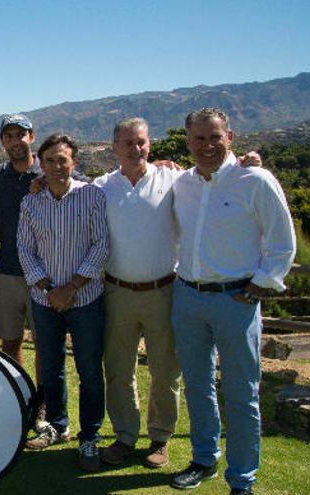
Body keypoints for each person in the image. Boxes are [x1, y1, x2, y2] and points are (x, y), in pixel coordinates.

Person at [169, 108, 295, 495]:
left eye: (214, 137)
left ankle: (242, 479)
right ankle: (204, 459)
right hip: (188, 296)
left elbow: (282, 243)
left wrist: (258, 288)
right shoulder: (182, 183)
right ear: (188, 141)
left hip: (236, 300)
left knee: (241, 392)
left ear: (230, 137)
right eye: (199, 138)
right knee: (197, 385)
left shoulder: (255, 180)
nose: (207, 145)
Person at [17, 133, 109, 472]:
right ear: (41, 163)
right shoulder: (32, 203)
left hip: (85, 298)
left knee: (88, 370)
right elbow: (25, 249)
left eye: (63, 159)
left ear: (74, 162)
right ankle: (57, 424)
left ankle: (90, 436)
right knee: (51, 367)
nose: (57, 165)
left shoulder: (92, 196)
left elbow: (101, 246)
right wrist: (48, 288)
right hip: (45, 300)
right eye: (51, 160)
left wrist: (70, 287)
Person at [94, 118, 182, 468]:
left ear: (151, 143)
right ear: (114, 147)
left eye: (142, 141)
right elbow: (66, 190)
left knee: (165, 369)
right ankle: (125, 436)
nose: (137, 148)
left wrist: (245, 161)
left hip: (163, 290)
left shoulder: (174, 180)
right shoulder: (101, 187)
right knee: (117, 368)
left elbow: (214, 179)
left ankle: (160, 437)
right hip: (117, 291)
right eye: (128, 143)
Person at [0, 113, 43, 391]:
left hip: (45, 274)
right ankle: (19, 399)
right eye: (9, 136)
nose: (15, 140)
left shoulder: (51, 171)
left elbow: (88, 187)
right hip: (8, 272)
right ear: (2, 142)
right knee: (10, 341)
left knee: (46, 344)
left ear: (31, 137)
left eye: (21, 134)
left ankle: (46, 409)